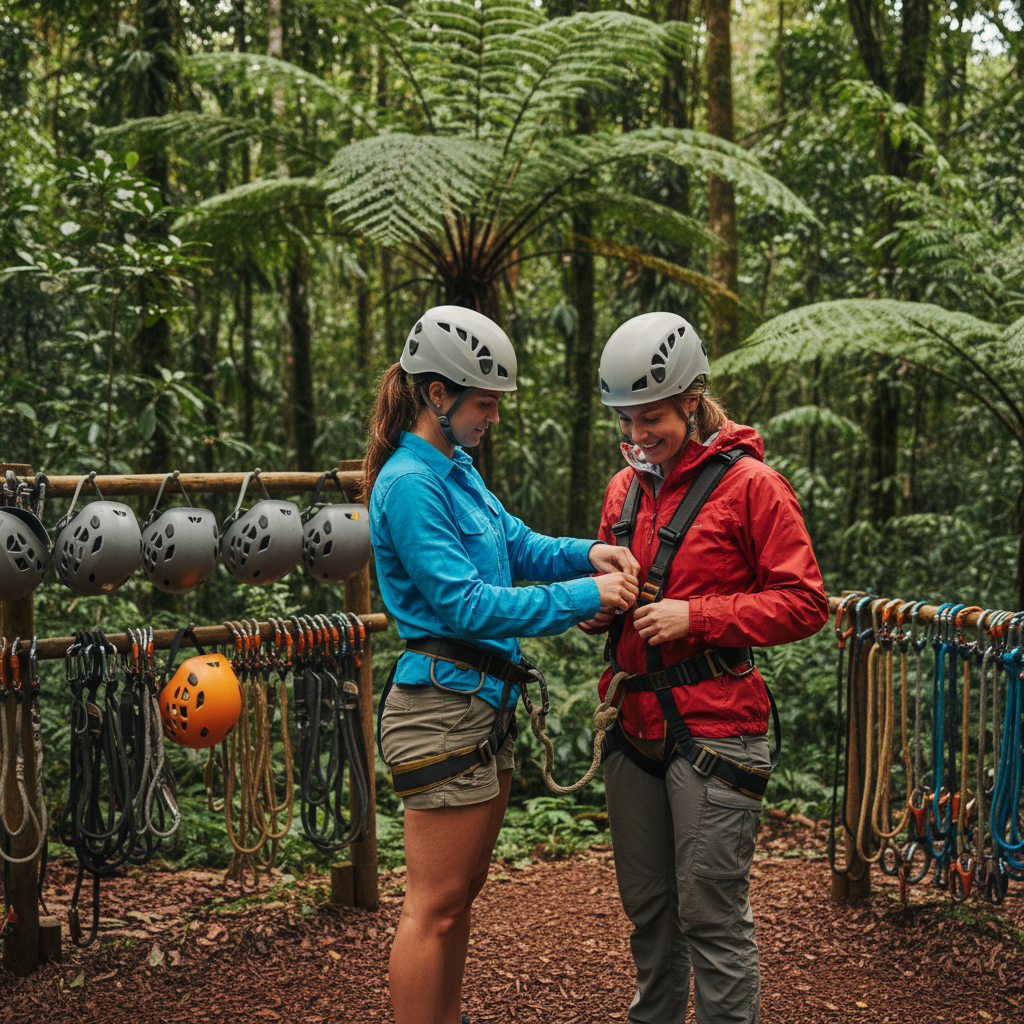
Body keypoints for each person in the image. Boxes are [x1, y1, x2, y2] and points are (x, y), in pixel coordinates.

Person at [363, 304, 640, 1024]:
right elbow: (465, 604)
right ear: (437, 395)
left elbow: (515, 544)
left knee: (459, 901)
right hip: (442, 710)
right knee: (434, 909)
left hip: (482, 705)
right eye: (483, 403)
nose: (491, 417)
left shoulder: (454, 470)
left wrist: (587, 554)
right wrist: (585, 593)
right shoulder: (411, 484)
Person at [581, 311, 829, 1024]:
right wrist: (596, 609)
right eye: (626, 421)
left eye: (651, 417)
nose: (636, 436)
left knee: (712, 916)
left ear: (692, 400)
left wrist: (699, 616)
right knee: (650, 914)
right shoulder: (622, 491)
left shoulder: (753, 486)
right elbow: (609, 580)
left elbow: (806, 602)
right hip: (634, 725)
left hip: (717, 728)